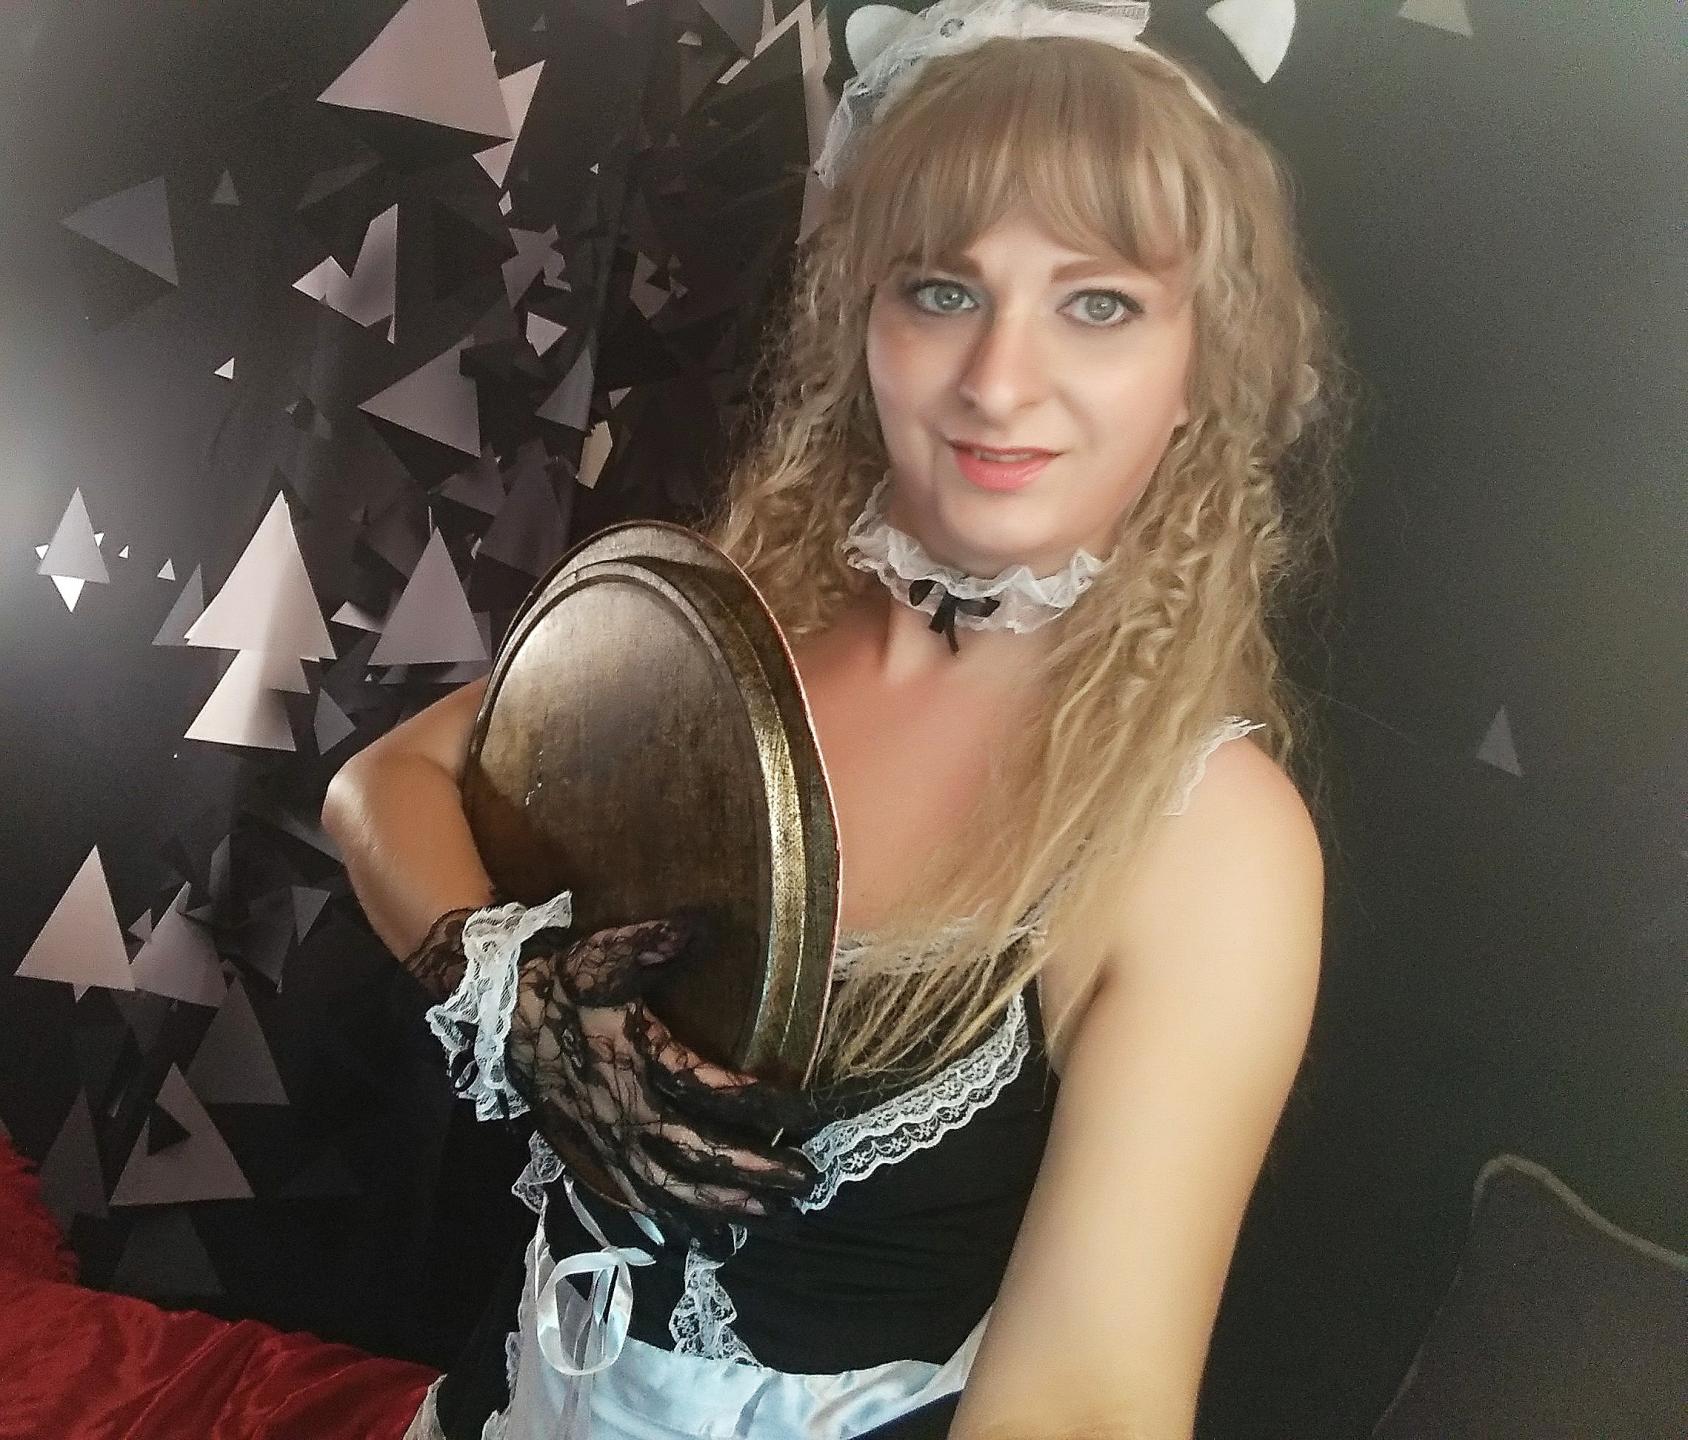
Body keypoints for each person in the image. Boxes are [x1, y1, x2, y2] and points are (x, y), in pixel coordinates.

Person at [322, 1, 1354, 1435]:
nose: (998, 380)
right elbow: (383, 782)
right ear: (865, 317)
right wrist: (512, 994)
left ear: (1201, 368)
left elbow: (1088, 1404)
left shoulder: (1207, 834)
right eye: (942, 290)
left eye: (1099, 303)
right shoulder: (733, 627)